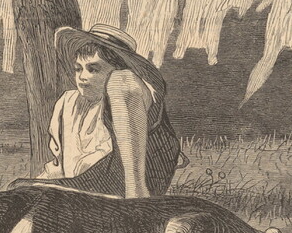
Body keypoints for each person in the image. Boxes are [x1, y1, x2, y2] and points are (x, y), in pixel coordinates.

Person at [14, 24, 182, 198]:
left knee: (121, 82)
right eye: (78, 69)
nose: (82, 77)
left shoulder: (128, 86)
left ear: (118, 68)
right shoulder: (68, 102)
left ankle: (137, 198)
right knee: (20, 188)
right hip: (90, 186)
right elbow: (59, 166)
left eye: (93, 69)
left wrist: (135, 194)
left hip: (137, 182)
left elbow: (125, 86)